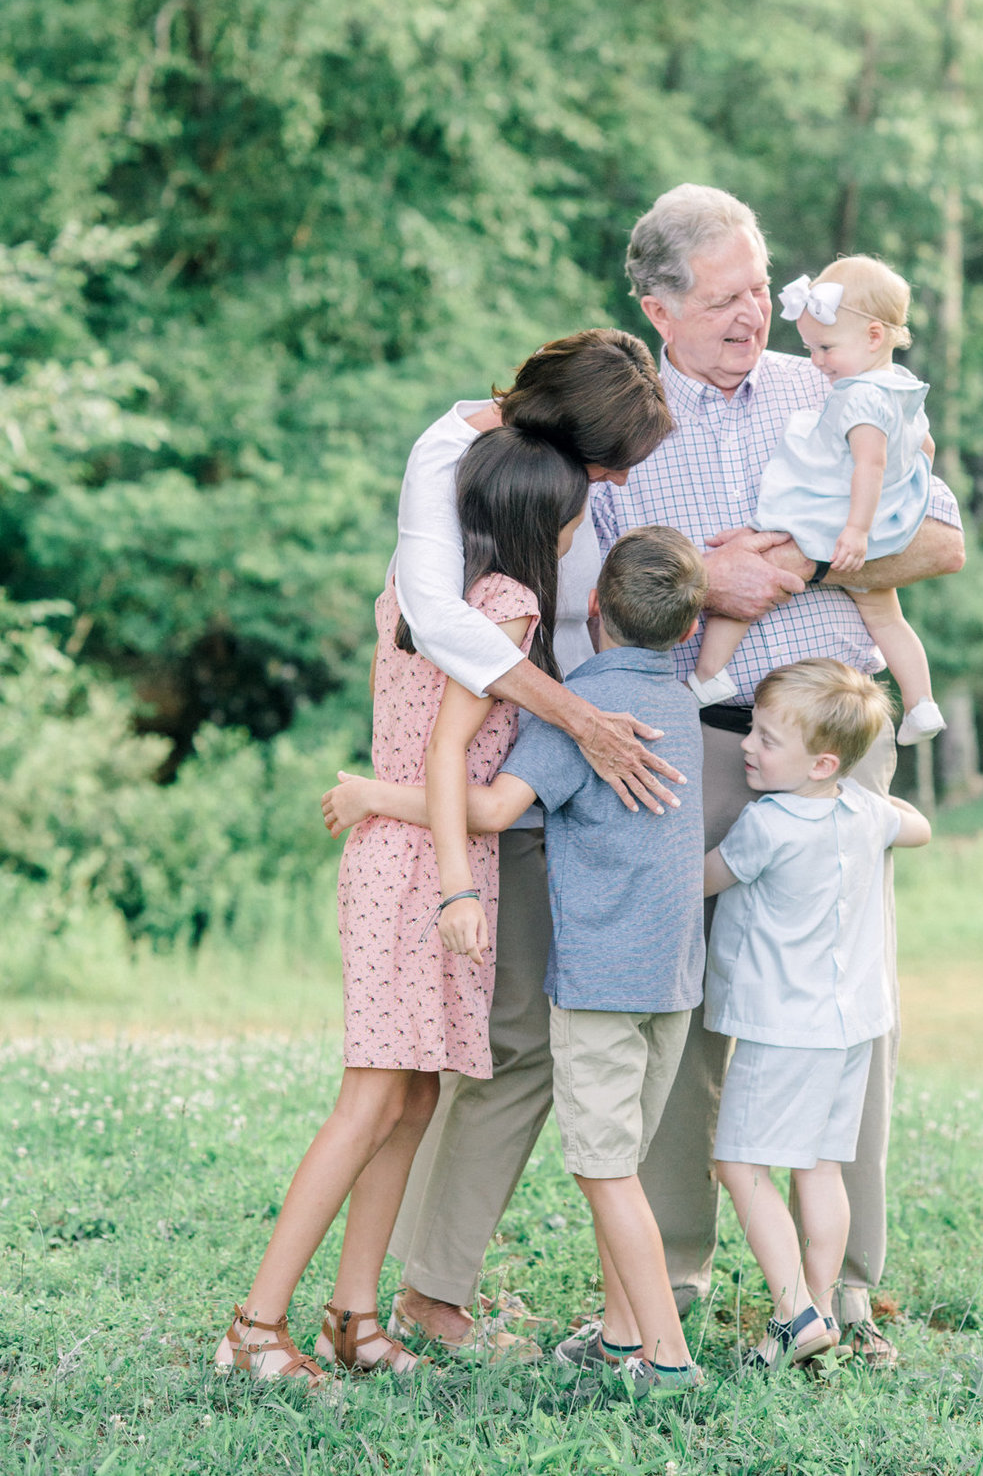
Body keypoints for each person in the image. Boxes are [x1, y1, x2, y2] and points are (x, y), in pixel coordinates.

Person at [384, 188, 964, 1366]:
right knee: (676, 1010)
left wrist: (797, 573)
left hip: (835, 742)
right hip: (686, 737)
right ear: (657, 307)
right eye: (725, 297)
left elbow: (941, 540)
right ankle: (676, 1276)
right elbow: (589, 597)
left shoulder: (831, 385)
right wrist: (708, 582)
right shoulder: (621, 427)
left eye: (761, 287)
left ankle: (846, 1282)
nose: (756, 313)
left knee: (841, 1012)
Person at [215, 428, 588, 1388]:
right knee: (373, 1096)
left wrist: (381, 802)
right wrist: (441, 859)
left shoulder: (413, 592)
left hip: (408, 851)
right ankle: (255, 1327)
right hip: (431, 863)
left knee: (417, 1092)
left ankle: (354, 1316)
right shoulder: (507, 607)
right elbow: (450, 758)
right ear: (545, 521)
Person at [327, 527, 711, 1393]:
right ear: (690, 630)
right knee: (631, 1158)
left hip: (597, 987)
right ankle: (621, 1338)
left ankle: (667, 1360)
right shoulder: (691, 704)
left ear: (591, 609)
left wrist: (372, 796)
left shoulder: (579, 712)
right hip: (673, 984)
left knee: (605, 1170)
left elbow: (495, 809)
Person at [702, 661, 931, 1372]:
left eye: (768, 739)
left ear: (821, 761)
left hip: (781, 1027)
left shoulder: (764, 824)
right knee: (821, 1166)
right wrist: (864, 800)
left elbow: (701, 880)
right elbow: (918, 827)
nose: (748, 745)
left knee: (739, 1163)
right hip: (850, 1027)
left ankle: (795, 1311)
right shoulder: (865, 812)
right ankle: (825, 1308)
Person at [688, 255, 946, 746]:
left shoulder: (858, 396)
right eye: (811, 348)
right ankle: (921, 704)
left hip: (830, 514)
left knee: (749, 570)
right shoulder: (905, 391)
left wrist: (854, 529)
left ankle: (707, 677)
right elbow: (924, 450)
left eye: (826, 347)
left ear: (873, 336)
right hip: (886, 520)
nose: (816, 362)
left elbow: (867, 464)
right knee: (888, 619)